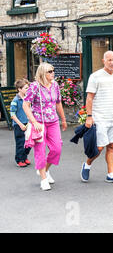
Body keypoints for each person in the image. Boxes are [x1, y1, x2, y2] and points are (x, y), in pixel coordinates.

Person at [80, 51, 113, 184]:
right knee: (99, 147)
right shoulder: (95, 76)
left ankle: (111, 174)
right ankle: (87, 164)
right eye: (109, 60)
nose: (112, 62)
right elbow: (89, 97)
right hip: (100, 116)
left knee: (112, 146)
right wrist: (89, 116)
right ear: (103, 61)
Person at [23, 63, 67, 191]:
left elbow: (58, 103)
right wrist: (34, 121)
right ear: (42, 73)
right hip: (39, 123)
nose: (52, 73)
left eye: (53, 71)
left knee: (56, 149)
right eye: (49, 71)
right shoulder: (34, 87)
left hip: (53, 121)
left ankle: (45, 170)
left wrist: (63, 119)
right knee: (40, 151)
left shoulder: (55, 85)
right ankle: (43, 179)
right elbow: (25, 105)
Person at [10, 79, 31, 167]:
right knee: (20, 143)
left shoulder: (28, 99)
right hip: (19, 125)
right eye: (26, 88)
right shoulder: (16, 100)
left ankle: (24, 156)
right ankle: (19, 159)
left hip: (28, 123)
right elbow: (12, 115)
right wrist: (20, 124)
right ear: (19, 89)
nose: (28, 89)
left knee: (29, 143)